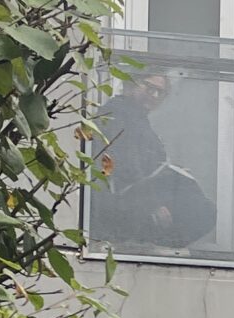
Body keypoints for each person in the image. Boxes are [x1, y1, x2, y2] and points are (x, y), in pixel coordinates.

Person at [93, 74, 217, 249]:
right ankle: (155, 245)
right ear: (130, 85)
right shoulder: (118, 113)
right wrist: (151, 204)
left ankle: (156, 246)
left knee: (202, 209)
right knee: (202, 211)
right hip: (125, 203)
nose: (155, 96)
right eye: (150, 88)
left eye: (161, 92)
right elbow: (125, 165)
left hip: (137, 200)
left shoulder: (136, 117)